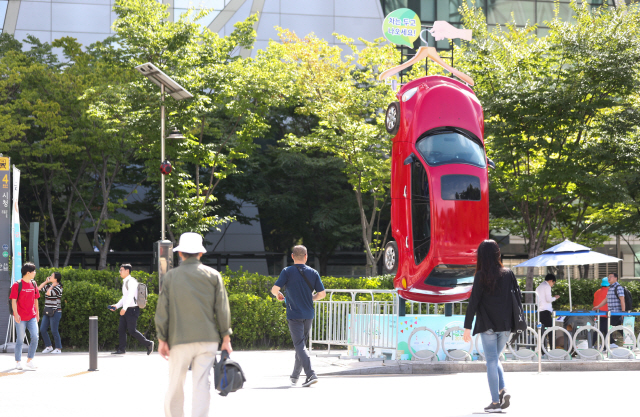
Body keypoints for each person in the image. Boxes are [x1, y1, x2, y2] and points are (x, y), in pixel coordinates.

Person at [155, 232, 233, 417]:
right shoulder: (213, 275)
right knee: (201, 384)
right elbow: (222, 308)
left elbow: (162, 311)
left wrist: (161, 339)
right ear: (200, 253)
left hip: (178, 339)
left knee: (175, 384)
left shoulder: (171, 277)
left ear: (180, 253)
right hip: (207, 340)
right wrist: (226, 338)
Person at [463, 240, 513, 413]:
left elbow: (473, 302)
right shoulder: (508, 274)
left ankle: (495, 403)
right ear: (497, 254)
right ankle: (503, 389)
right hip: (506, 326)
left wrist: (467, 326)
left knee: (491, 360)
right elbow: (516, 300)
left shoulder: (481, 275)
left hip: (488, 325)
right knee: (496, 358)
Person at [271, 245, 326, 388]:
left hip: (294, 313)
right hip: (308, 314)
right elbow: (322, 294)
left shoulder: (287, 271)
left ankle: (310, 374)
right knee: (301, 345)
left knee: (299, 345)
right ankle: (295, 376)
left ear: (292, 256)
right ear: (306, 256)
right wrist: (311, 298)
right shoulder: (313, 272)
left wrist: (278, 295)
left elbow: (274, 289)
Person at [109, 263, 154, 355]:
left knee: (132, 330)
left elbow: (130, 297)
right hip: (127, 309)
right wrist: (117, 306)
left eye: (121, 270)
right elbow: (124, 297)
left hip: (132, 310)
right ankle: (121, 349)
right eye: (120, 270)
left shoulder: (131, 281)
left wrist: (124, 308)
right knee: (121, 329)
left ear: (127, 271)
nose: (120, 272)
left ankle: (149, 343)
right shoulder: (125, 281)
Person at [9, 262, 40, 370]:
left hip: (32, 316)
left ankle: (29, 360)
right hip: (20, 317)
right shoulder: (17, 285)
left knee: (35, 337)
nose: (35, 273)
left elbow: (36, 299)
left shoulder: (34, 284)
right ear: (28, 273)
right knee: (20, 340)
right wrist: (16, 314)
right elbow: (13, 301)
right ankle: (18, 361)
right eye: (34, 271)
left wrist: (37, 314)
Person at [594, 272, 625, 347]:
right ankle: (629, 341)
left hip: (616, 313)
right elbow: (606, 299)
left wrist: (623, 313)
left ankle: (607, 345)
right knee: (619, 329)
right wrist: (598, 306)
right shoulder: (611, 288)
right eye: (608, 277)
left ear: (616, 278)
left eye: (611, 276)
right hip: (610, 313)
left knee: (607, 327)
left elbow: (622, 300)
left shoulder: (618, 287)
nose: (609, 278)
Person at [38, 272, 63, 354]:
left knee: (54, 330)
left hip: (56, 311)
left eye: (52, 276)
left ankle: (58, 348)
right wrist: (46, 282)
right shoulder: (49, 286)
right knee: (42, 329)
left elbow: (49, 293)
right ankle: (49, 346)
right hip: (48, 310)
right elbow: (39, 288)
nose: (50, 276)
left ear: (56, 278)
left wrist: (52, 285)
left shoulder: (59, 287)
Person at [535, 273, 559, 348]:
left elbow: (536, 301)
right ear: (551, 281)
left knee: (541, 332)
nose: (552, 285)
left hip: (539, 311)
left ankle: (542, 350)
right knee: (551, 331)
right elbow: (548, 299)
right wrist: (555, 297)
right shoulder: (547, 286)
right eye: (553, 283)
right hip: (545, 312)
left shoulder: (539, 287)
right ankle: (552, 349)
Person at [592, 277, 610, 345]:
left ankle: (609, 343)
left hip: (597, 313)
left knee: (602, 330)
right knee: (600, 331)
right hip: (605, 314)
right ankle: (591, 344)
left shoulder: (597, 291)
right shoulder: (609, 292)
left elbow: (594, 302)